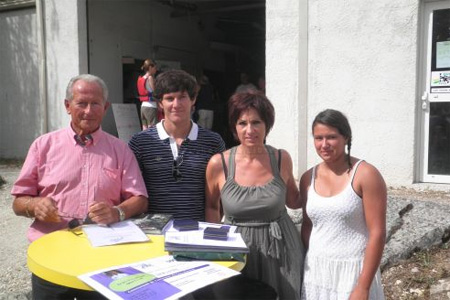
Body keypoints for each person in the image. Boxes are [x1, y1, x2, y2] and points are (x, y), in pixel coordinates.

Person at [11, 74, 148, 300]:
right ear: (67, 106)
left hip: (104, 255)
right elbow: (18, 202)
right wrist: (34, 205)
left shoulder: (120, 150)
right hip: (51, 253)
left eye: (95, 104)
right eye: (81, 103)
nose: (88, 111)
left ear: (105, 107)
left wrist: (117, 211)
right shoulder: (43, 146)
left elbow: (139, 199)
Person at [205, 91, 304, 299]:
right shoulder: (218, 164)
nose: (250, 130)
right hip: (238, 251)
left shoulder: (281, 158)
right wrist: (216, 248)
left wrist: (323, 177)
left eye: (256, 122)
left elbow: (294, 200)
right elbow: (212, 207)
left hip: (281, 248)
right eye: (242, 123)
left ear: (267, 125)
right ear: (234, 127)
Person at [300, 109, 386, 300]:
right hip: (316, 272)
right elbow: (308, 225)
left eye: (331, 137)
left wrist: (363, 287)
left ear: (346, 137)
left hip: (354, 272)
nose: (324, 144)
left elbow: (377, 233)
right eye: (318, 138)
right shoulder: (307, 178)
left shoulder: (366, 174)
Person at [129, 69, 225, 220]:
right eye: (169, 98)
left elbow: (217, 200)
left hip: (197, 232)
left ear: (193, 99)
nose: (176, 104)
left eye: (182, 97)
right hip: (155, 234)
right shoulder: (140, 142)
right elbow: (132, 194)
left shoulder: (213, 142)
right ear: (160, 103)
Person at [137, 58, 158, 129]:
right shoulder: (150, 78)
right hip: (151, 107)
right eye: (155, 68)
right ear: (150, 67)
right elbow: (155, 92)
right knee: (152, 129)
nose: (156, 70)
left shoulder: (141, 78)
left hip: (143, 107)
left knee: (144, 129)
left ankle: (143, 140)